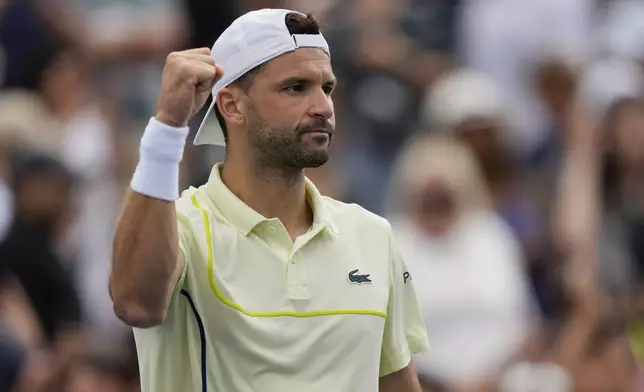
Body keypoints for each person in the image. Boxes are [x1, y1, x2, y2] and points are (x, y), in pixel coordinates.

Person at [109, 8, 429, 392]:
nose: (323, 107)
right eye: (296, 87)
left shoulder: (374, 236)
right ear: (231, 105)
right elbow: (135, 304)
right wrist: (166, 127)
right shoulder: (180, 228)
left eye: (326, 88)